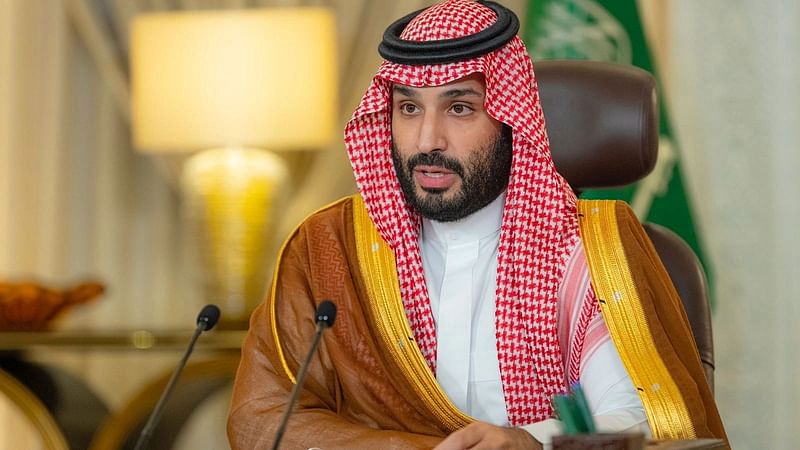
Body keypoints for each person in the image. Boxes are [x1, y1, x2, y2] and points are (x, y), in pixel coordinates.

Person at [227, 1, 728, 449]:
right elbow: (263, 420)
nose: (428, 140)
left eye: (460, 108)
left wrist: (529, 443)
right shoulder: (328, 248)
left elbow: (636, 422)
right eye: (408, 108)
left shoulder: (587, 248)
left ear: (511, 117)